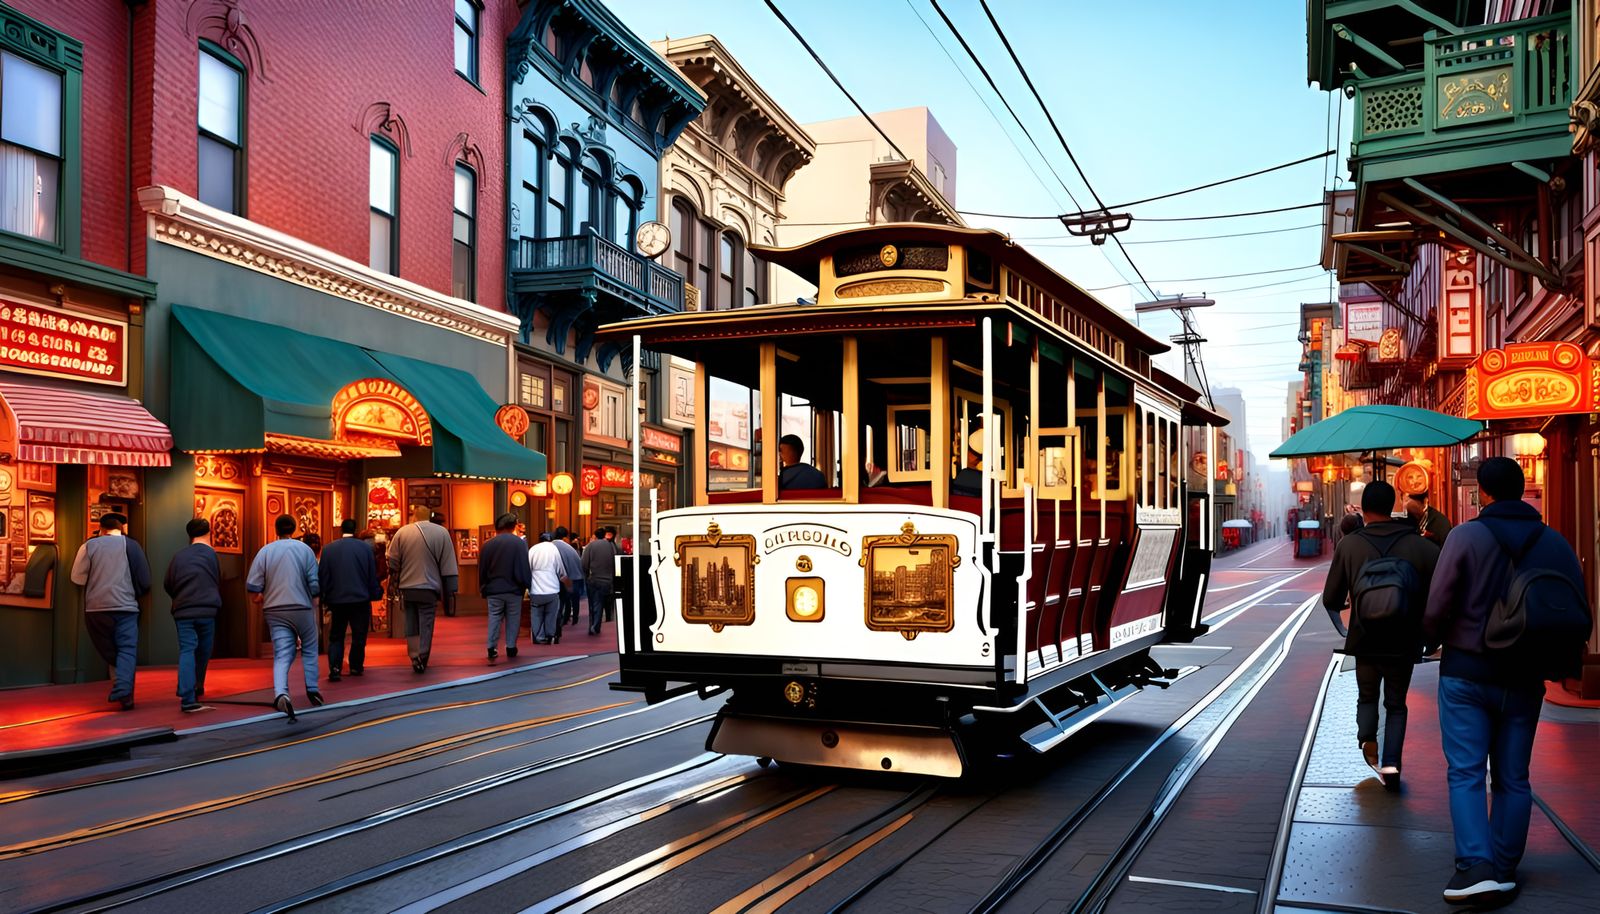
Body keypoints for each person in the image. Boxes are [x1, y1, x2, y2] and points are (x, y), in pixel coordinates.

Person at [1423, 457, 1588, 905]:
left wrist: (1428, 640)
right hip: (1526, 675)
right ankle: (1505, 866)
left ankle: (1476, 866)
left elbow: (1438, 605)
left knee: (1467, 771)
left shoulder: (1465, 536)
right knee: (1514, 775)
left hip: (1467, 671)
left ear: (1483, 493)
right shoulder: (1555, 541)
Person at [1320, 480, 1438, 790]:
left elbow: (1331, 598)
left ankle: (1367, 740)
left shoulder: (1350, 545)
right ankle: (1392, 764)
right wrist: (1432, 636)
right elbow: (1440, 595)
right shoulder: (1422, 546)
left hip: (1365, 637)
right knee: (1397, 704)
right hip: (1405, 638)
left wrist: (1350, 611)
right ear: (1393, 504)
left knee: (1368, 695)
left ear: (1363, 509)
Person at [71, 513, 151, 711]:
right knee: (127, 649)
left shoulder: (88, 546)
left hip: (96, 608)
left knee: (111, 652)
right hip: (126, 607)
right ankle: (124, 688)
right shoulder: (131, 545)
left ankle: (124, 693)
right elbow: (145, 581)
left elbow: (77, 578)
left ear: (101, 528)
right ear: (122, 528)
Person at [247, 514, 322, 721]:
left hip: (274, 608)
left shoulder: (265, 551)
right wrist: (314, 599)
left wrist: (260, 597)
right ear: (294, 529)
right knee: (309, 646)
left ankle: (281, 693)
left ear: (276, 530)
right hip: (301, 605)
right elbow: (313, 581)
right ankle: (312, 688)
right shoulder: (305, 550)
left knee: (281, 653)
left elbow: (253, 586)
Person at [389, 505, 458, 673]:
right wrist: (450, 589)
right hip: (429, 587)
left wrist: (396, 578)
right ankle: (423, 655)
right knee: (426, 622)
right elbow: (448, 563)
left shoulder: (402, 532)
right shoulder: (442, 533)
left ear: (414, 516)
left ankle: (413, 655)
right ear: (429, 516)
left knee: (411, 621)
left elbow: (392, 560)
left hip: (408, 586)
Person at [164, 517, 221, 712]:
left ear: (189, 535)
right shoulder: (211, 555)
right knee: (203, 651)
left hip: (183, 609)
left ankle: (187, 696)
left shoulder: (178, 556)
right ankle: (197, 686)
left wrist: (180, 597)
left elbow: (168, 583)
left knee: (187, 649)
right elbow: (217, 579)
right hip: (207, 608)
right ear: (209, 532)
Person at [320, 518, 382, 681]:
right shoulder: (365, 549)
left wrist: (324, 596)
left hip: (337, 598)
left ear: (341, 530)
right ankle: (355, 665)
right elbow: (371, 575)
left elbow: (324, 576)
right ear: (355, 529)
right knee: (359, 634)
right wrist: (375, 592)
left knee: (336, 635)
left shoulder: (328, 549)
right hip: (360, 598)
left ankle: (335, 667)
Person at [480, 513, 530, 662]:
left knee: (494, 616)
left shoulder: (487, 545)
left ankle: (491, 646)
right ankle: (511, 646)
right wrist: (526, 585)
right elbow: (523, 567)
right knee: (513, 617)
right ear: (513, 526)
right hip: (513, 589)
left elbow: (482, 569)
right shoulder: (519, 543)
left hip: (494, 588)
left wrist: (483, 587)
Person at [527, 532, 568, 644]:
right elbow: (560, 569)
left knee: (536, 614)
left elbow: (527, 568)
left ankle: (538, 636)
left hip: (536, 588)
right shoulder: (554, 549)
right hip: (552, 588)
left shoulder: (533, 549)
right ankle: (549, 635)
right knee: (551, 614)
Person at [581, 528, 619, 636]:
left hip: (594, 579)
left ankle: (594, 625)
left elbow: (584, 564)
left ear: (595, 535)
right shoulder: (611, 546)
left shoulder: (590, 546)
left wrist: (587, 575)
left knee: (594, 604)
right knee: (603, 603)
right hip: (608, 580)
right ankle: (599, 623)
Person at [551, 525, 584, 629]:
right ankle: (574, 618)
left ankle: (560, 619)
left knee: (561, 599)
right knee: (573, 598)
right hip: (573, 576)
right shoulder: (569, 548)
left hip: (559, 577)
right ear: (565, 537)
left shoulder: (551, 546)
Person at [430, 511, 457, 617]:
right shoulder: (444, 532)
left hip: (434, 563)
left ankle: (443, 606)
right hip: (445, 564)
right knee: (448, 589)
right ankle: (449, 610)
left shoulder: (430, 532)